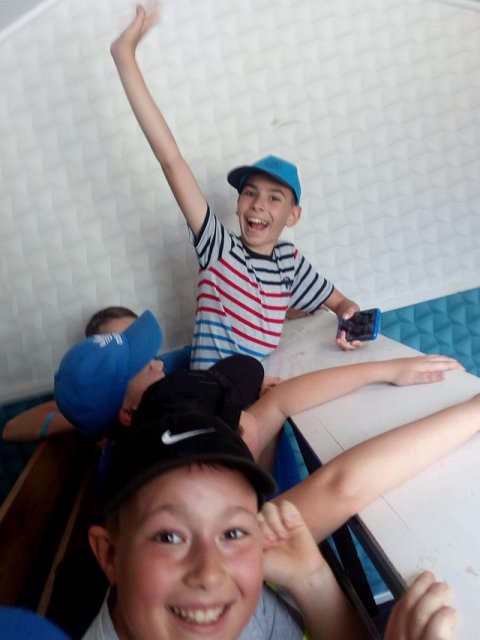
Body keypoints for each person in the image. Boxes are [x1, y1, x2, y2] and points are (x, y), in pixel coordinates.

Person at [110, 5, 366, 370]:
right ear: (238, 203)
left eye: (274, 198)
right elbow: (172, 161)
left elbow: (339, 303)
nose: (258, 203)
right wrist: (125, 56)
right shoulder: (220, 249)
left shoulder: (289, 262)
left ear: (293, 216)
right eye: (250, 192)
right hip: (212, 393)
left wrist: (349, 315)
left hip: (256, 388)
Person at [83, 410, 457, 640]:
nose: (210, 573)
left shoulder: (231, 604)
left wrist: (312, 578)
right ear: (110, 554)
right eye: (168, 536)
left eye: (232, 532)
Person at [2, 307, 192, 443]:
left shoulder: (156, 366)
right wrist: (95, 420)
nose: (151, 361)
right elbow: (11, 429)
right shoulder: (93, 397)